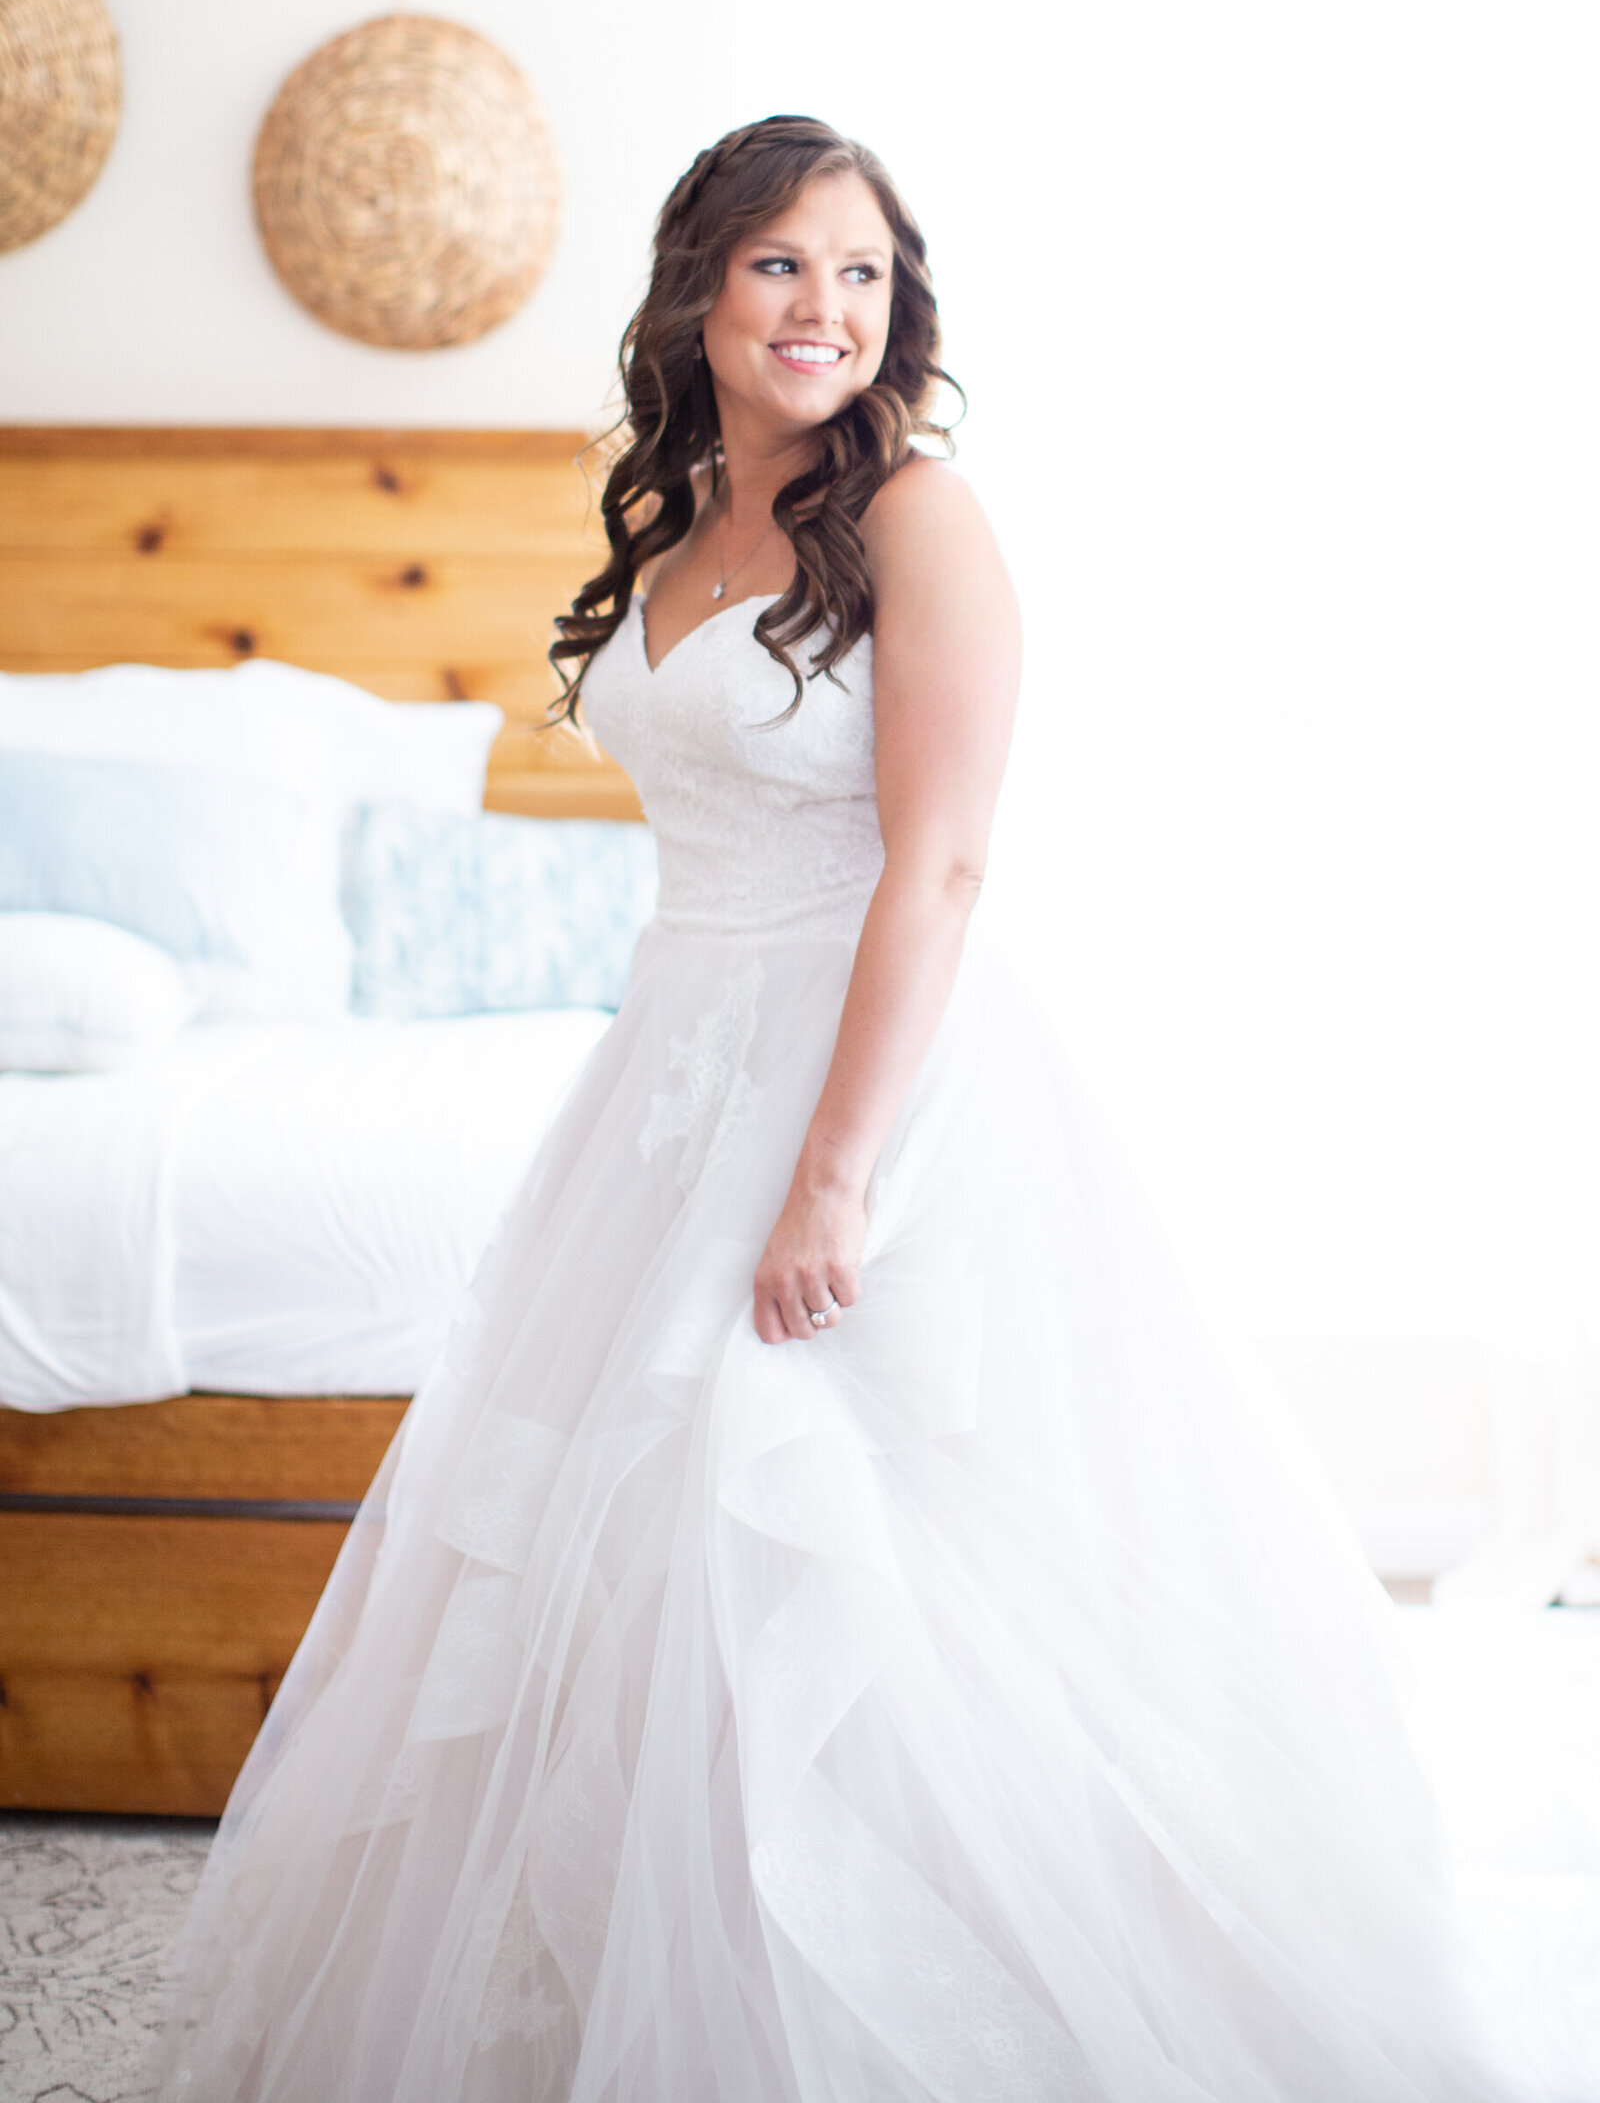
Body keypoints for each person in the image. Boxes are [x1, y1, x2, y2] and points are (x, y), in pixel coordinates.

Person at [156, 115, 1537, 2101]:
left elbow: (941, 866)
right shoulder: (677, 510)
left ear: (898, 312)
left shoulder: (919, 517)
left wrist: (831, 1177)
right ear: (698, 294)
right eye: (780, 266)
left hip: (863, 1080)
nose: (822, 308)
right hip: (667, 1063)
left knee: (841, 1559)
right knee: (624, 1554)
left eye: (859, 273)